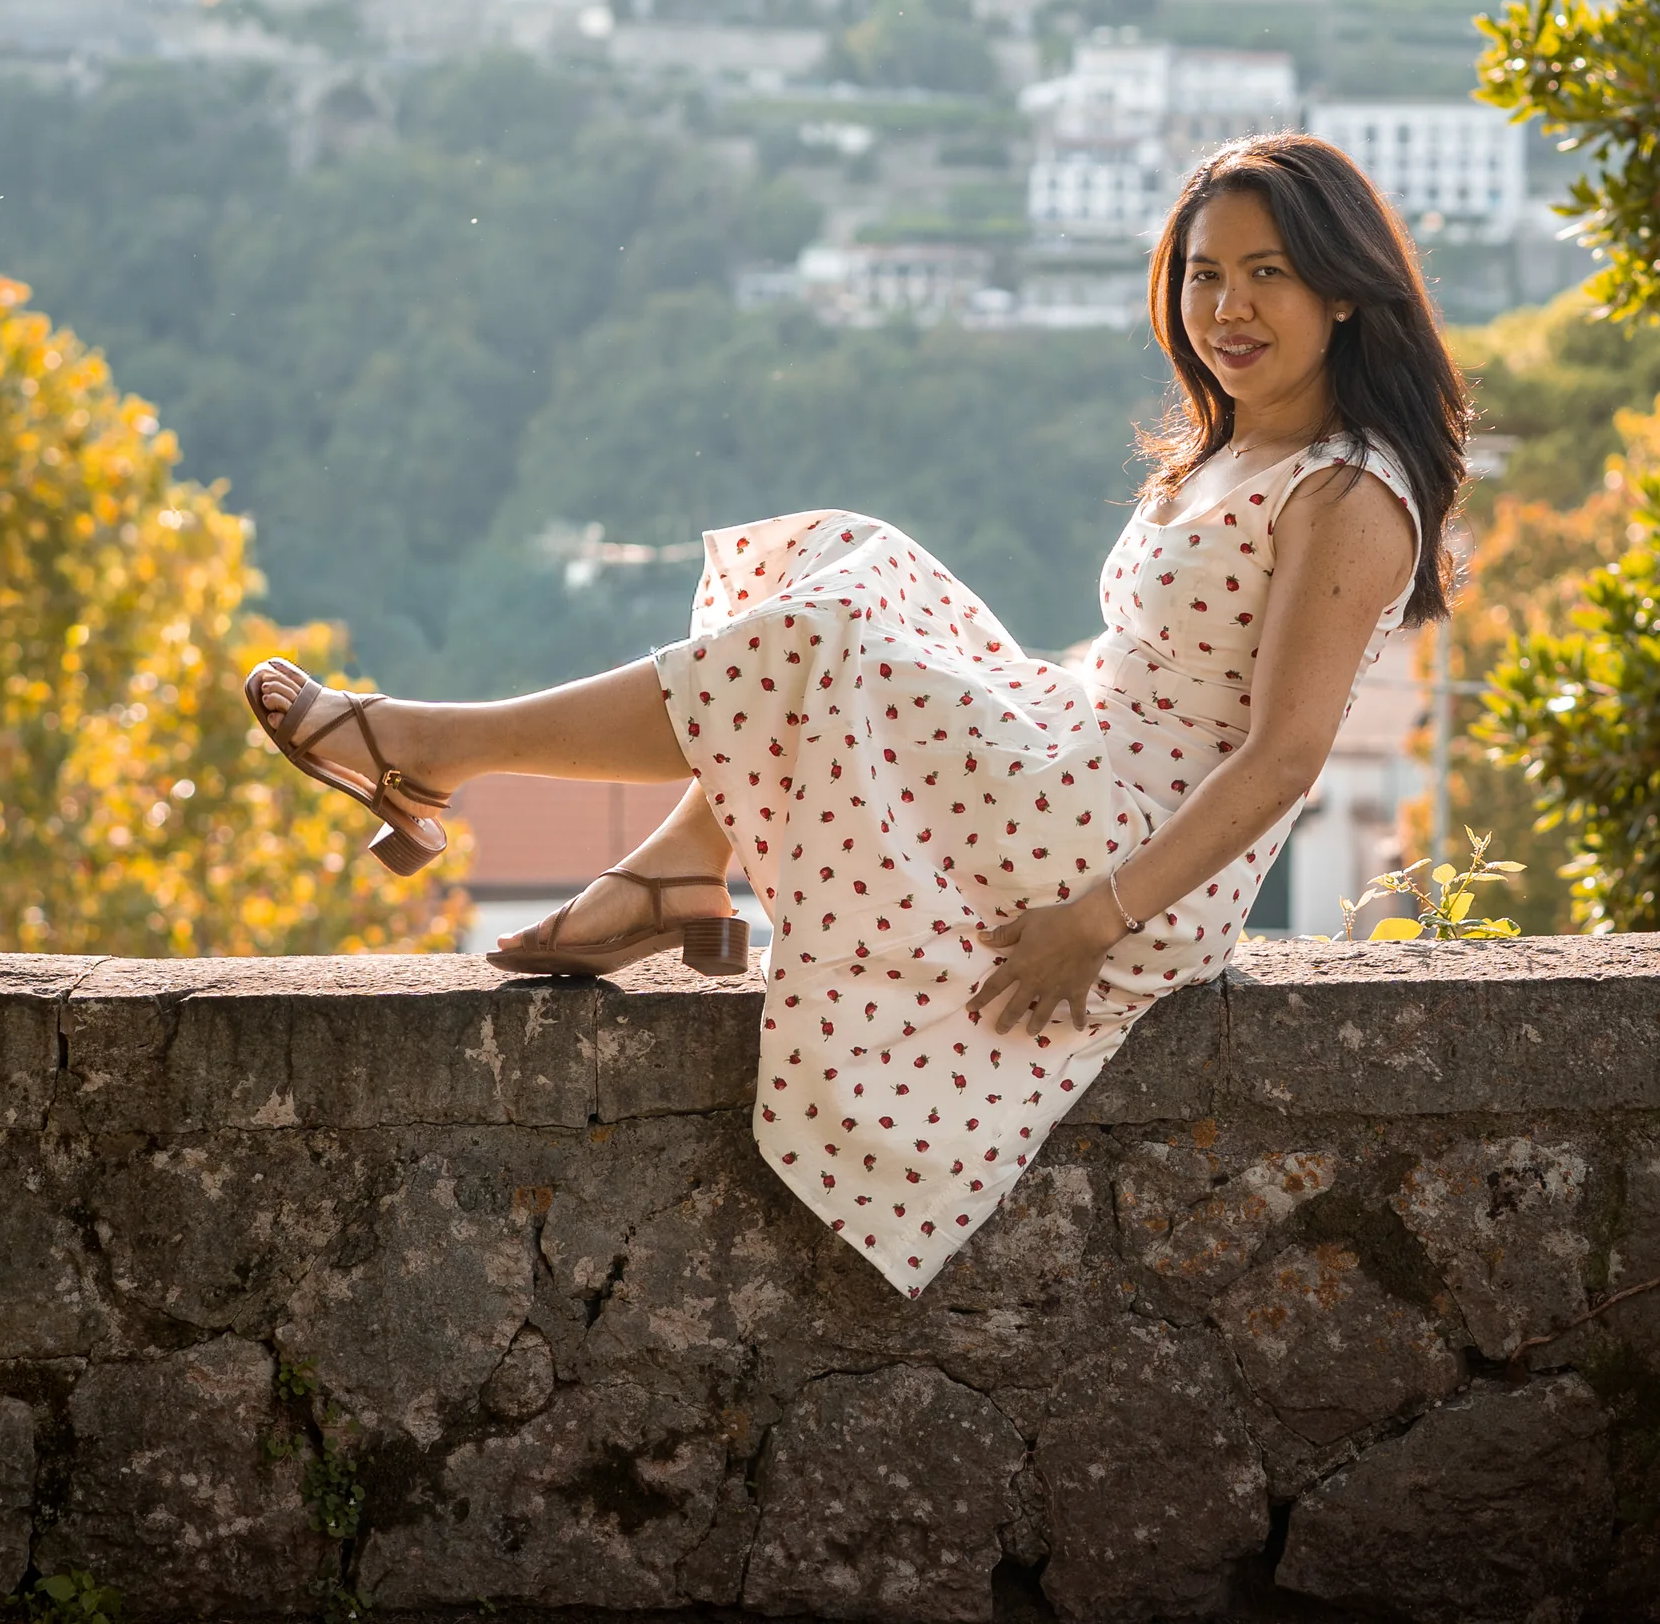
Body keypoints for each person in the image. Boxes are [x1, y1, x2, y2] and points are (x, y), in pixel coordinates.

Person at [245, 132, 1468, 1295]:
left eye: (1270, 275)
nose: (1229, 308)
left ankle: (423, 748)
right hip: (1083, 753)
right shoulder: (1234, 449)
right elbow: (1144, 662)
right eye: (1206, 274)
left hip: (1133, 855)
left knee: (825, 641)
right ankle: (674, 869)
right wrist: (984, 691)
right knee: (847, 557)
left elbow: (1281, 761)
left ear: (1347, 293)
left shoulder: (1347, 493)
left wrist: (1094, 921)